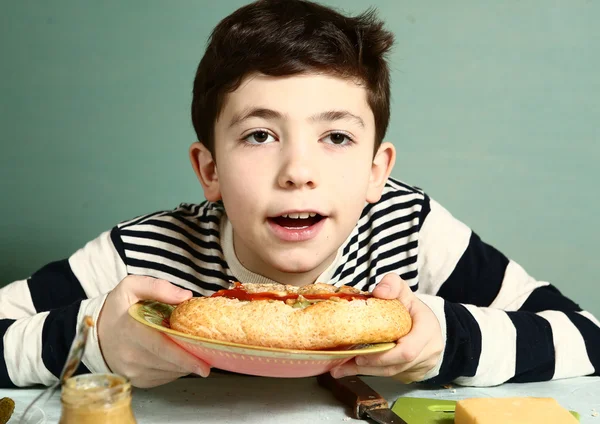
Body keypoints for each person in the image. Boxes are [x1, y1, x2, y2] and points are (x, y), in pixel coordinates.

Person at [1, 0, 598, 389]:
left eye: (336, 136)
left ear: (375, 172)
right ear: (209, 169)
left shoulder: (409, 229)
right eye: (260, 135)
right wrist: (99, 342)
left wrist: (445, 342)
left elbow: (584, 333)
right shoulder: (147, 254)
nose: (297, 171)